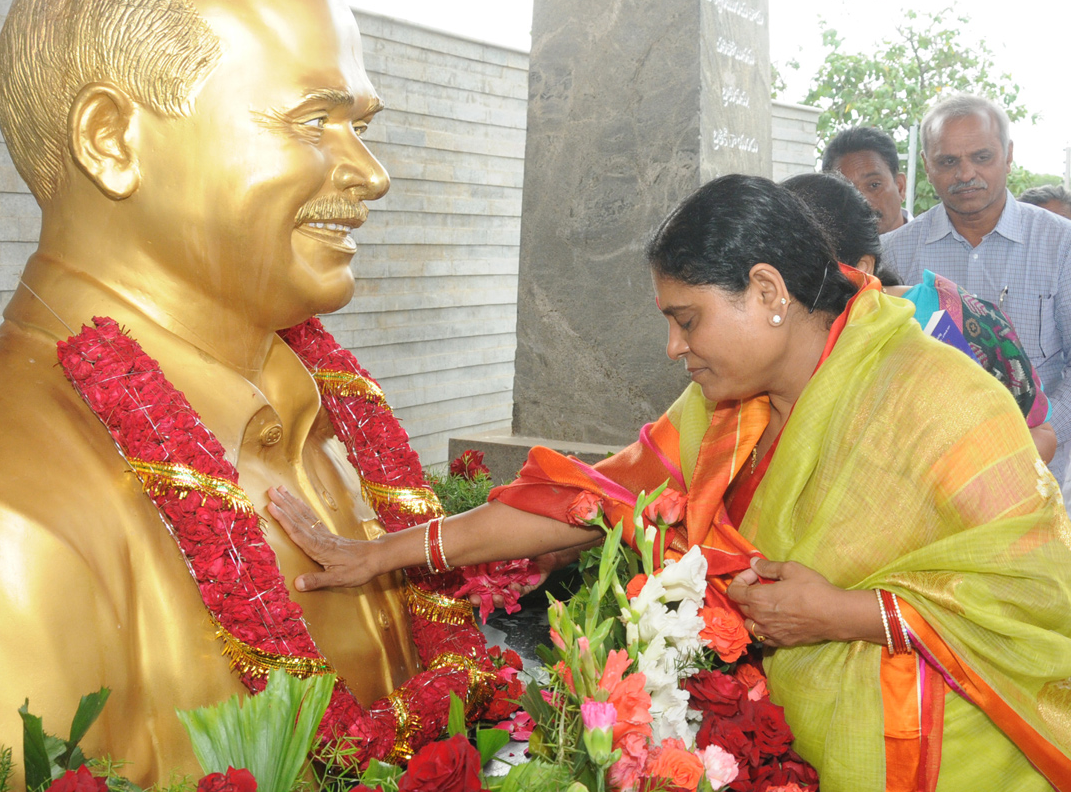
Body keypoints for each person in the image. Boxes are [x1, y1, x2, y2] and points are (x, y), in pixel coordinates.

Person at [0, 0, 491, 783]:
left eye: (362, 124)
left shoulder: (324, 417)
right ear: (111, 142)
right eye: (314, 121)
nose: (370, 174)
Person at [272, 175, 1071, 791]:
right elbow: (577, 500)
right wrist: (377, 555)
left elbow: (1040, 590)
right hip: (814, 745)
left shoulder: (938, 394)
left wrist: (844, 613)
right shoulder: (721, 413)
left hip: (954, 755)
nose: (671, 346)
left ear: (766, 293)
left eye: (685, 319)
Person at [782, 171, 1056, 461]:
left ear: (863, 268)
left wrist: (951, 464)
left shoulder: (957, 318)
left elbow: (1041, 436)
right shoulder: (769, 339)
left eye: (803, 276)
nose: (780, 296)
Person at [882, 93, 1071, 493]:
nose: (965, 173)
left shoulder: (1062, 246)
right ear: (927, 166)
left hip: (1040, 480)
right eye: (948, 161)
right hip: (928, 487)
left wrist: (1035, 430)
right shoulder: (892, 253)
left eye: (981, 157)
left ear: (1008, 155)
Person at [821, 125, 909, 234]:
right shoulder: (823, 249)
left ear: (901, 187)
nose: (863, 201)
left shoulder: (933, 247)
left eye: (874, 185)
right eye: (847, 192)